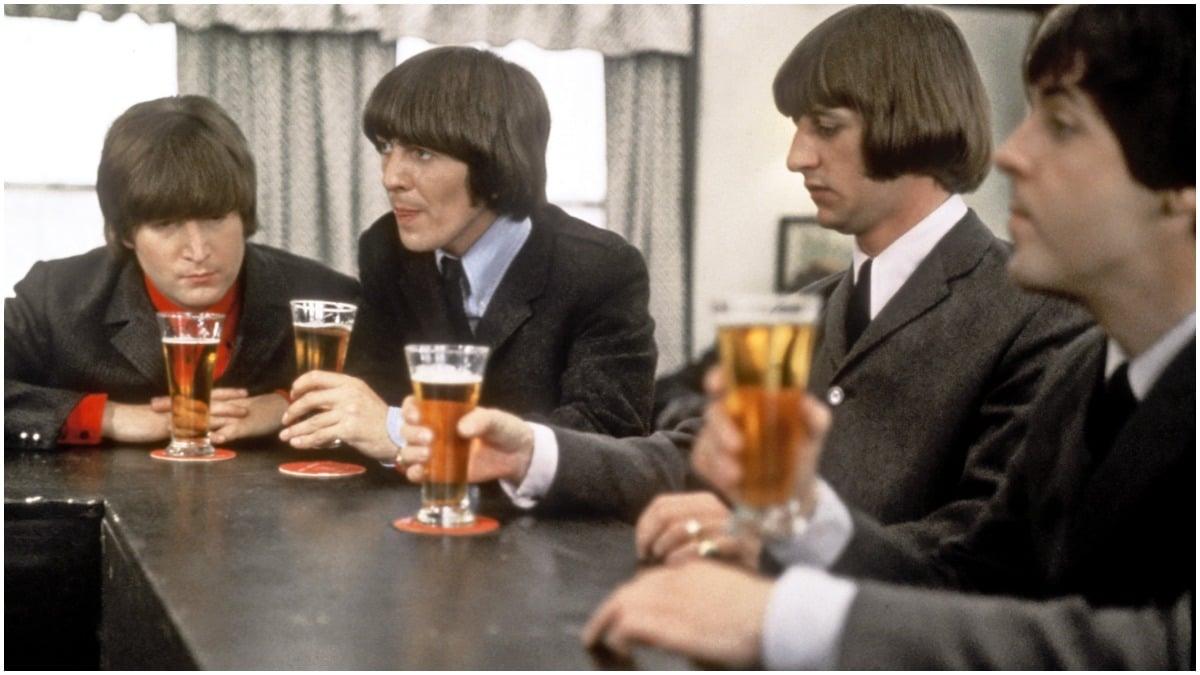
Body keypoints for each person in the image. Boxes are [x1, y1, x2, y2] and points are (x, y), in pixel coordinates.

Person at [582, 4, 1195, 668]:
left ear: (1182, 186)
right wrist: (801, 517)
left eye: (1064, 125)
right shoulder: (1086, 374)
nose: (1011, 152)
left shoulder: (1044, 328)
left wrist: (787, 616)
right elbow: (973, 582)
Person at [390, 4, 1089, 533]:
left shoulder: (1039, 314)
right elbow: (695, 456)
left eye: (825, 126)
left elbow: (985, 547)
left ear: (914, 122)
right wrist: (531, 452)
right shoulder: (810, 309)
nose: (797, 157)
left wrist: (779, 555)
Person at [279, 46, 657, 462]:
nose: (390, 178)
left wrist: (401, 431)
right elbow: (367, 401)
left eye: (421, 153)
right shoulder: (385, 248)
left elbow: (605, 438)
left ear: (496, 167)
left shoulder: (600, 269)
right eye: (386, 147)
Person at [5, 95, 361, 450]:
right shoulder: (56, 299)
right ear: (126, 232)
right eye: (165, 224)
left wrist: (289, 403)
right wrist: (109, 417)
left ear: (244, 214)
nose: (197, 250)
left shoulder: (329, 298)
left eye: (215, 217)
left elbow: (396, 398)